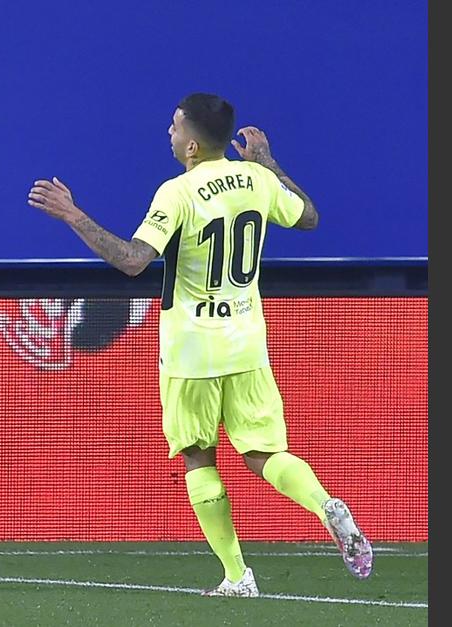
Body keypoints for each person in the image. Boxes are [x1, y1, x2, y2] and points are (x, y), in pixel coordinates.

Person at [27, 93, 373, 597]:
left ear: (191, 144)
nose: (168, 134)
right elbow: (309, 218)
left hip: (192, 350)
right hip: (248, 344)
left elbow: (131, 259)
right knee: (264, 453)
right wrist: (268, 162)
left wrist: (72, 215)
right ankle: (325, 505)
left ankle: (237, 575)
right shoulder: (256, 180)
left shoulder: (177, 192)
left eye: (173, 126)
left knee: (198, 457)